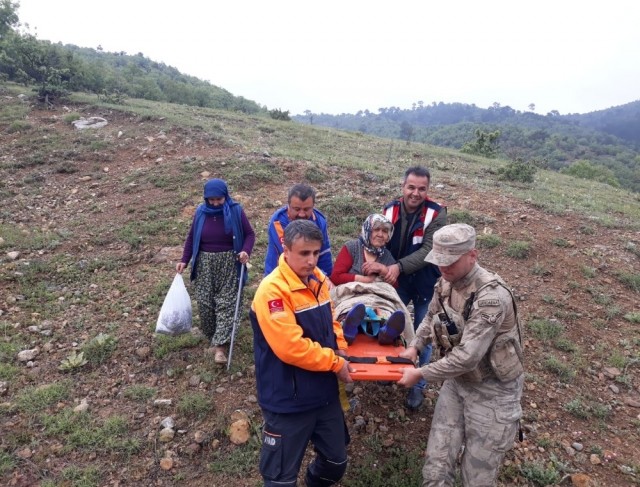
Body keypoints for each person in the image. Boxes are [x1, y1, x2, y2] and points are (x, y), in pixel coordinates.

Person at [397, 223, 524, 486]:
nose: (443, 268)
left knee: (476, 476)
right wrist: (414, 346)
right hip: (457, 384)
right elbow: (431, 315)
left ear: (472, 256)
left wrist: (421, 373)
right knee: (436, 466)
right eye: (439, 261)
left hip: (493, 392)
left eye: (450, 262)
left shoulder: (491, 298)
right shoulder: (445, 282)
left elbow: (468, 357)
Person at [250, 219, 352, 487]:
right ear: (286, 251)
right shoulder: (272, 290)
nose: (311, 260)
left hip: (324, 394)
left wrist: (340, 345)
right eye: (304, 253)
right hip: (288, 399)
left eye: (316, 253)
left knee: (335, 462)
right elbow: (290, 347)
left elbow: (331, 319)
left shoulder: (318, 279)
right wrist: (335, 362)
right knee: (280, 478)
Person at [382, 166, 447, 409]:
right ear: (403, 187)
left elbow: (428, 250)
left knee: (425, 333)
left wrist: (397, 267)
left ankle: (418, 386)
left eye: (422, 188)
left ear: (427, 190)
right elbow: (381, 242)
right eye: (411, 187)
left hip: (426, 283)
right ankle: (389, 371)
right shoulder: (389, 210)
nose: (415, 193)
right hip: (396, 281)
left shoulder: (437, 214)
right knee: (391, 326)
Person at [176, 178, 255, 365]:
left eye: (218, 199)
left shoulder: (235, 210)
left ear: (225, 196)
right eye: (211, 200)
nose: (215, 203)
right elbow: (191, 238)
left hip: (229, 262)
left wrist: (245, 250)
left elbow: (250, 234)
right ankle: (213, 335)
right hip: (204, 263)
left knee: (227, 303)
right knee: (205, 303)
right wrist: (184, 260)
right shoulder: (201, 212)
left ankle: (220, 348)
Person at [330, 213, 414, 345]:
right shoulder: (352, 248)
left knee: (384, 309)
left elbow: (394, 286)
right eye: (376, 229)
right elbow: (336, 276)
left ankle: (387, 332)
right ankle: (348, 328)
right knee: (351, 308)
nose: (380, 234)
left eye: (385, 231)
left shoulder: (387, 256)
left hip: (377, 296)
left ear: (388, 236)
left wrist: (383, 270)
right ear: (368, 230)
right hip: (353, 294)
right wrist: (363, 280)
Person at [264, 183, 333, 278]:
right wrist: (319, 277)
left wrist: (327, 278)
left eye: (306, 209)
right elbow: (292, 258)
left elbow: (324, 253)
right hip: (280, 277)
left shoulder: (320, 221)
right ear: (288, 205)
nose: (301, 214)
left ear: (313, 206)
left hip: (311, 275)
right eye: (297, 209)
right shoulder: (278, 222)